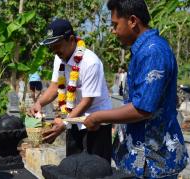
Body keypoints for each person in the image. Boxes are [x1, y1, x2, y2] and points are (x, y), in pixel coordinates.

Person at [83, 0, 188, 178]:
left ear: (132, 21)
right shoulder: (144, 49)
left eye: (115, 24)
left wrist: (97, 117)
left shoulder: (153, 52)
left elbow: (142, 109)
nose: (113, 31)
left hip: (153, 159)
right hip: (140, 155)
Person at [30, 19, 112, 162]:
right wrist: (39, 103)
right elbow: (55, 86)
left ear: (72, 39)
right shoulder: (59, 58)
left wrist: (64, 123)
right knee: (72, 167)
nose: (54, 51)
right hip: (73, 119)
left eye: (57, 46)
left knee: (96, 169)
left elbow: (87, 101)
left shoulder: (90, 62)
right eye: (51, 47)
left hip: (95, 123)